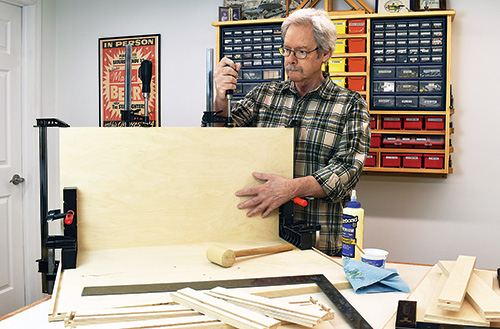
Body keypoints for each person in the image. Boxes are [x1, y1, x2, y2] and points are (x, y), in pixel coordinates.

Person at [211, 8, 371, 256]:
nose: (290, 59)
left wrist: (291, 188)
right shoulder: (263, 96)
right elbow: (219, 141)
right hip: (261, 241)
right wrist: (220, 99)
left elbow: (347, 171)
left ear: (326, 53)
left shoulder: (350, 105)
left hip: (320, 246)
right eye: (286, 50)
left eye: (301, 52)